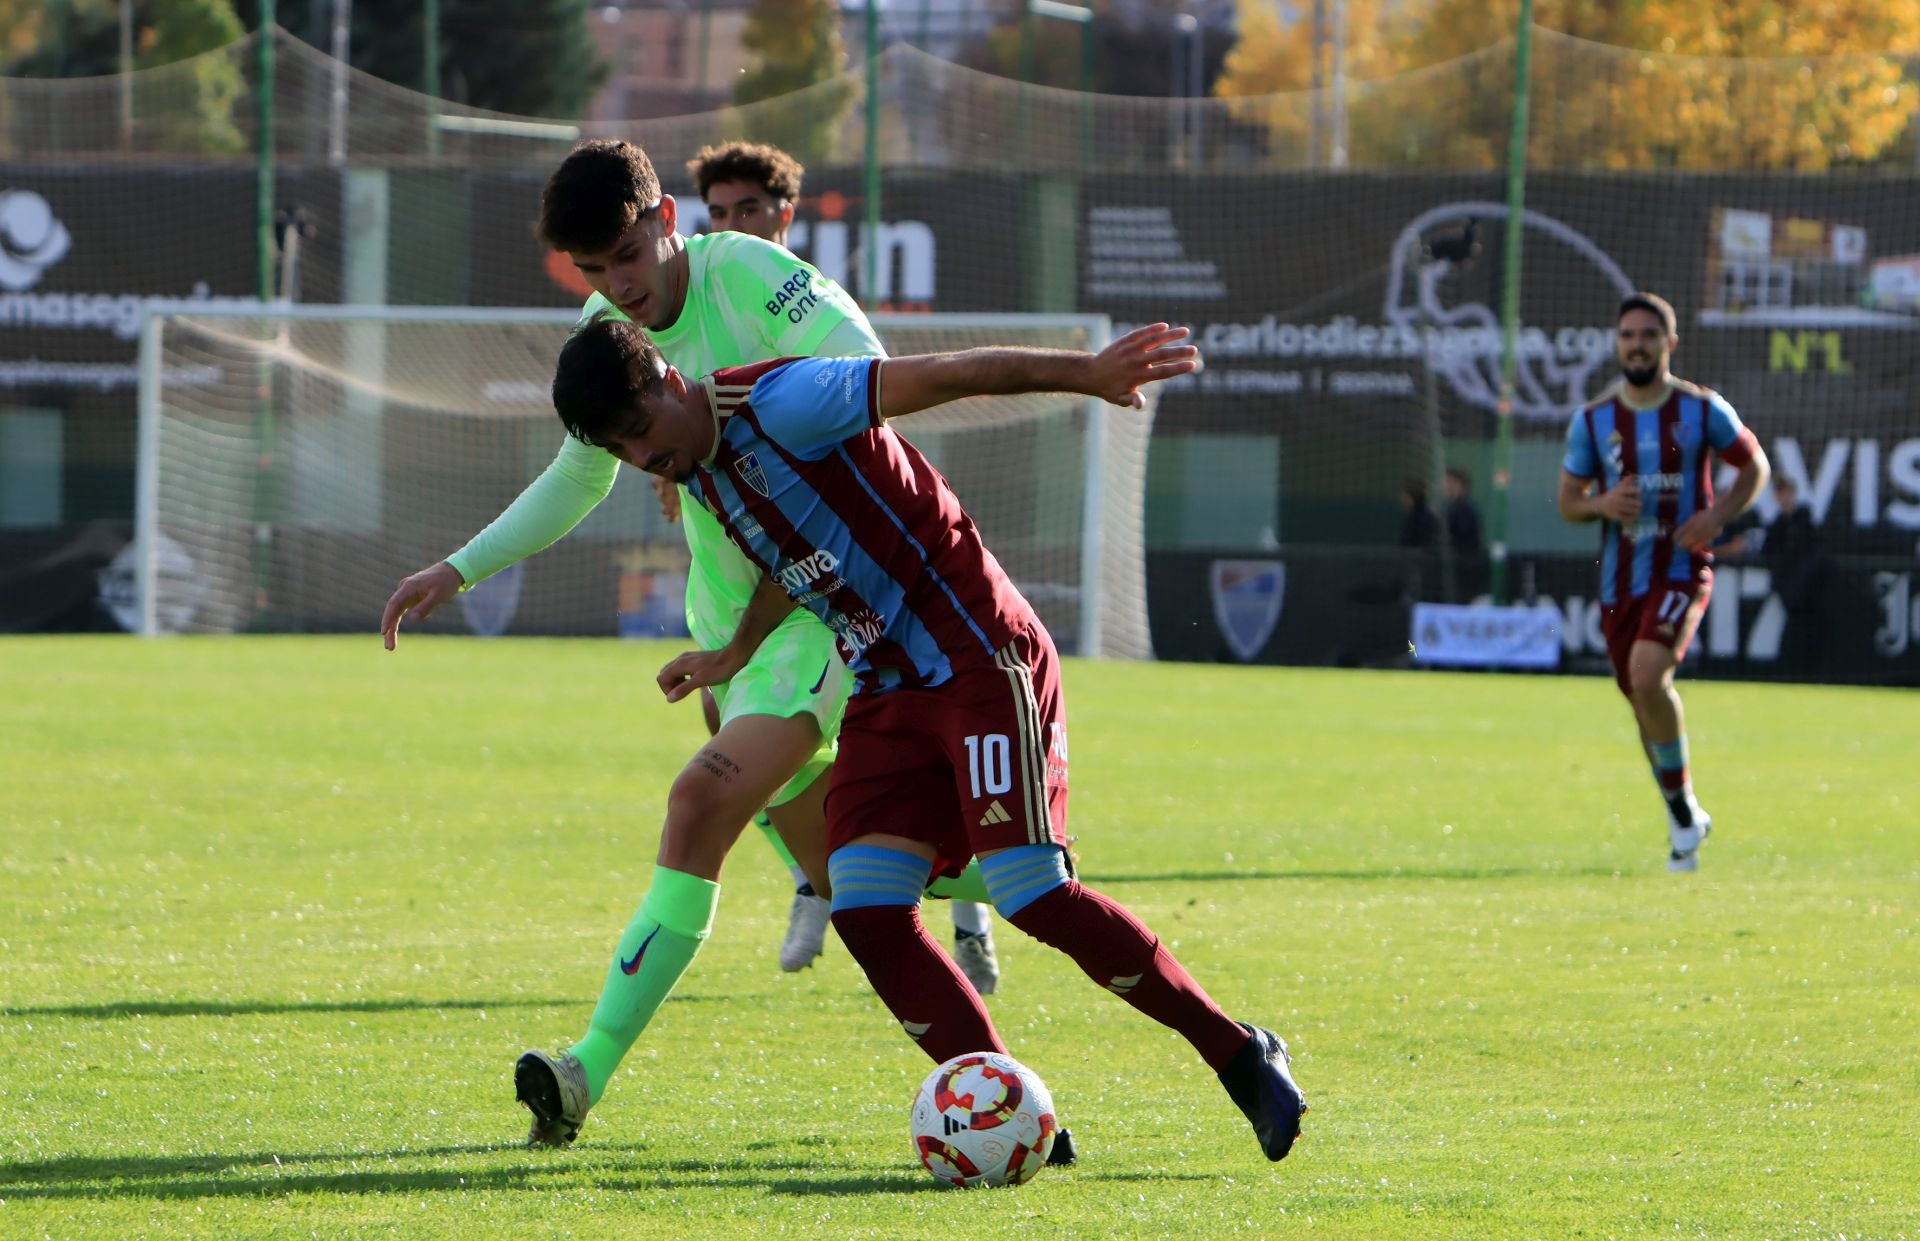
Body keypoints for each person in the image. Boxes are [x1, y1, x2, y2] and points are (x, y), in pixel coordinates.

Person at [551, 315, 1310, 1164]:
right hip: (886, 683)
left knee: (1034, 895)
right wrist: (736, 650)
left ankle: (1240, 1056)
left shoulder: (788, 400)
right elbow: (788, 557)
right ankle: (1008, 1108)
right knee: (868, 910)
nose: (643, 457)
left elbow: (950, 372)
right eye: (622, 451)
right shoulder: (698, 472)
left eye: (641, 431)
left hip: (978, 653)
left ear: (664, 378)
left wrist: (1087, 372)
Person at [378, 139, 1009, 1149]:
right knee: (862, 883)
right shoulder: (608, 338)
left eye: (628, 255)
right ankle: (1011, 991)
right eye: (596, 271)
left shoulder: (752, 277)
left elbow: (872, 390)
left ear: (666, 217)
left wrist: (749, 402)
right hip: (727, 637)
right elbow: (578, 478)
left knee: (698, 799)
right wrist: (459, 566)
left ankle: (582, 1072)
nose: (619, 286)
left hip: (821, 606)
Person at [670, 138, 1003, 990]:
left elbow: (870, 399)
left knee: (875, 734)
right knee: (742, 733)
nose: (735, 226)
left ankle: (974, 886)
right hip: (751, 589)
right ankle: (827, 881)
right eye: (722, 214)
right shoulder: (702, 315)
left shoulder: (798, 310)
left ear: (785, 216)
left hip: (840, 571)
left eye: (751, 211)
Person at [1558, 292, 1770, 872]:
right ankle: (1684, 814)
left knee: (1649, 674)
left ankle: (1681, 819)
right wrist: (1602, 501)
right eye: (1628, 335)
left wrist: (1717, 515)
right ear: (1617, 343)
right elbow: (1568, 503)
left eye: (1649, 335)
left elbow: (1754, 467)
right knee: (1640, 700)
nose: (1637, 345)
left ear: (1669, 344)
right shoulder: (1595, 420)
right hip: (1620, 581)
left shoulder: (1702, 410)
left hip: (1682, 567)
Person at [1759, 476, 1823, 676]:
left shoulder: (1806, 521)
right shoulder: (1776, 525)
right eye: (1779, 492)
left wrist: (1803, 581)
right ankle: (1790, 671)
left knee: (1807, 632)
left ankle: (1809, 671)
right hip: (1786, 590)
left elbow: (1815, 554)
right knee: (1790, 632)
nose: (1783, 497)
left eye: (1786, 492)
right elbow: (1768, 554)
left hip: (1808, 591)